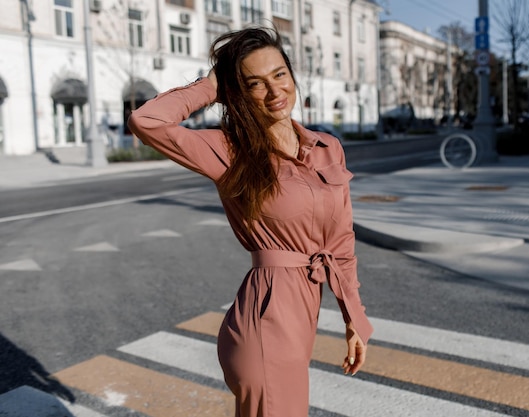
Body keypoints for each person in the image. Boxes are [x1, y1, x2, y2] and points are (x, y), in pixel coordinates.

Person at [127, 26, 373, 417]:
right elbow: (147, 121)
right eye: (255, 84)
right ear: (237, 92)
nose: (275, 92)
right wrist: (210, 86)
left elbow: (341, 242)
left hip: (301, 314)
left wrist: (354, 318)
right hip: (265, 321)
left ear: (292, 75)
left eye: (279, 75)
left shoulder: (328, 148)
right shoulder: (228, 151)